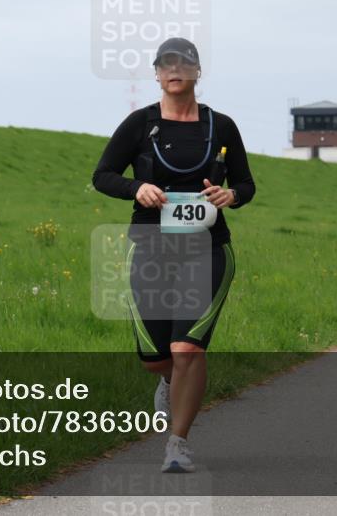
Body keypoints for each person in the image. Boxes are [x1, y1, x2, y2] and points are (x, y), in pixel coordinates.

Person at [92, 37, 256, 473]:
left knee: (188, 350)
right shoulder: (140, 123)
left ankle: (178, 443)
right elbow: (103, 175)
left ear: (198, 71)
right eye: (166, 64)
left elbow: (247, 184)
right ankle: (167, 380)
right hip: (149, 248)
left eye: (183, 63)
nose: (174, 70)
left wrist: (231, 194)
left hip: (207, 250)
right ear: (157, 74)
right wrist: (135, 188)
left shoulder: (221, 126)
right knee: (158, 359)